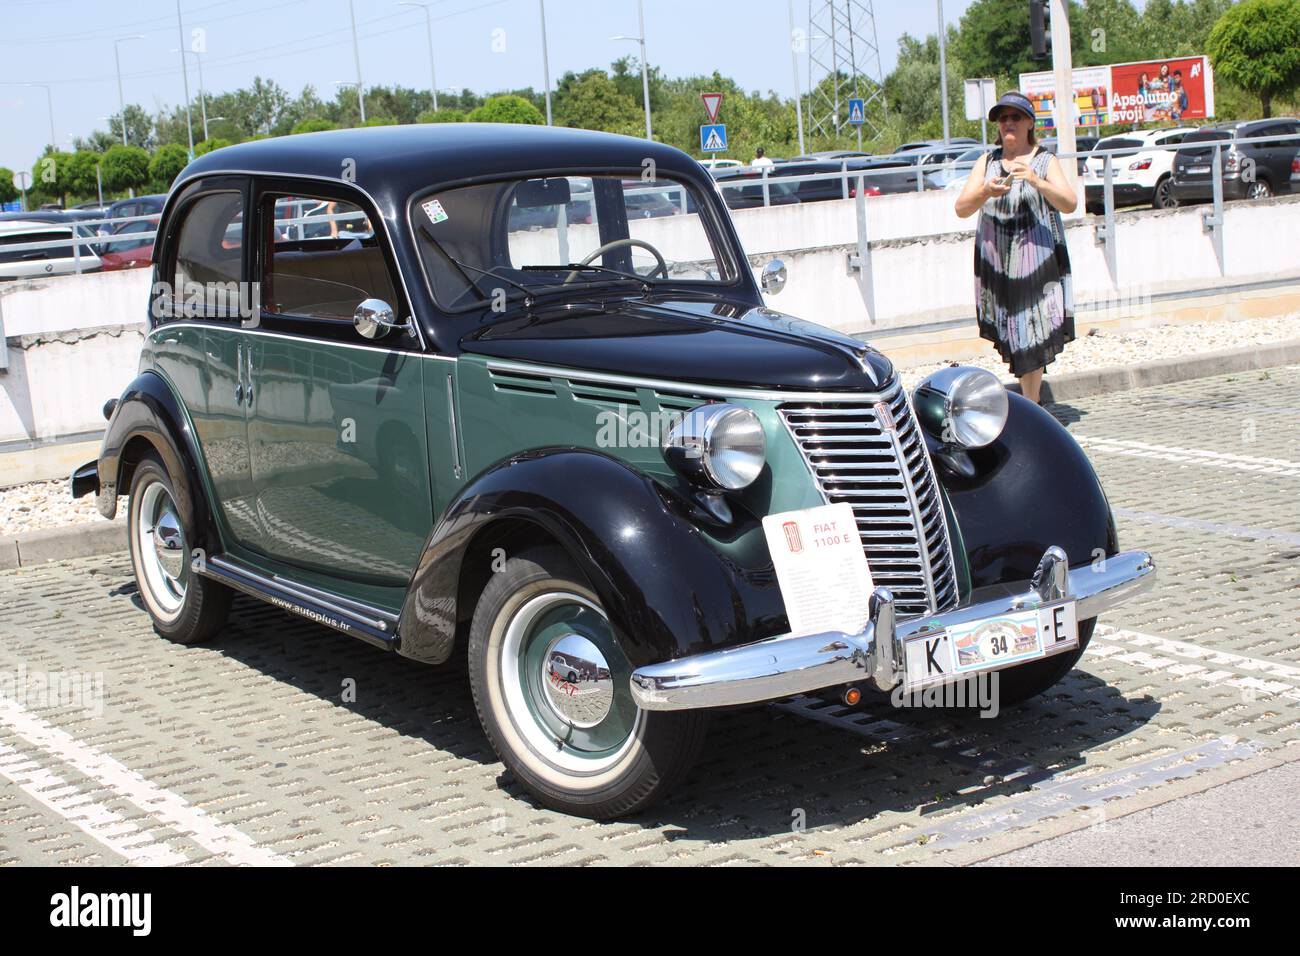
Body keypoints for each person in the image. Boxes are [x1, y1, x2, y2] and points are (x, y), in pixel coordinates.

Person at [954, 90, 1078, 405]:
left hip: (1035, 258)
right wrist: (985, 191)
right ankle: (1029, 397)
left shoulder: (1044, 160)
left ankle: (1032, 402)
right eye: (1003, 118)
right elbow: (962, 208)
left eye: (1015, 117)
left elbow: (1070, 203)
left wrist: (1037, 181)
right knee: (1013, 330)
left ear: (1029, 123)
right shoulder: (988, 161)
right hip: (998, 258)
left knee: (1031, 329)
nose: (1008, 123)